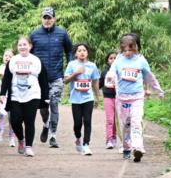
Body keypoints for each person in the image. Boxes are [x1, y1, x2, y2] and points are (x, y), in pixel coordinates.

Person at [110, 33, 165, 162]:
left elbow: (149, 77)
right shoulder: (118, 60)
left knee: (136, 122)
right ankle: (126, 148)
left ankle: (138, 148)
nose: (128, 52)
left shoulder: (140, 60)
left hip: (137, 98)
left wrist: (159, 91)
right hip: (122, 99)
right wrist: (110, 77)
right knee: (125, 126)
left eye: (131, 49)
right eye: (125, 50)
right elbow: (112, 72)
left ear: (136, 47)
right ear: (121, 49)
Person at [29, 7, 74, 148]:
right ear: (41, 19)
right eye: (45, 18)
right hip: (39, 79)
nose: (47, 20)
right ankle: (45, 123)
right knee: (43, 107)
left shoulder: (62, 33)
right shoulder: (34, 35)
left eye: (49, 17)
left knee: (54, 104)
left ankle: (53, 136)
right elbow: (27, 54)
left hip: (57, 77)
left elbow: (69, 51)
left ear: (54, 18)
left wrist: (69, 68)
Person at [0, 36, 46, 157]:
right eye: (20, 45)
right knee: (14, 121)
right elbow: (7, 78)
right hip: (16, 94)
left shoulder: (36, 60)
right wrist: (3, 93)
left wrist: (46, 97)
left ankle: (29, 147)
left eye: (25, 44)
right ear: (17, 47)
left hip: (33, 94)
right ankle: (21, 139)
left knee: (29, 121)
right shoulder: (13, 60)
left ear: (30, 46)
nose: (22, 47)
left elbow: (43, 79)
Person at [62, 43, 100, 156]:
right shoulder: (72, 64)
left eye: (84, 50)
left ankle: (86, 145)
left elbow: (95, 81)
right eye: (79, 51)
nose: (82, 52)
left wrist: (97, 97)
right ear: (75, 54)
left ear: (87, 53)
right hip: (76, 99)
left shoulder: (92, 66)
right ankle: (78, 137)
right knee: (77, 124)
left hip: (88, 98)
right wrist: (76, 73)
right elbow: (66, 81)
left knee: (87, 121)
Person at [0, 49, 17, 146]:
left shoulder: (15, 67)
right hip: (3, 95)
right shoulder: (2, 67)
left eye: (10, 56)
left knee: (11, 117)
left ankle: (12, 138)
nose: (7, 58)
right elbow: (4, 78)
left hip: (13, 95)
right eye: (6, 55)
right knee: (1, 114)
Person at [99, 50, 119, 149]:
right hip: (108, 97)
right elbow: (99, 84)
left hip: (119, 98)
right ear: (107, 61)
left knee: (117, 120)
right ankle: (109, 140)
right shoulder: (104, 72)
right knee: (110, 119)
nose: (113, 60)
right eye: (111, 58)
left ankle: (115, 137)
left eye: (115, 58)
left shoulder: (120, 70)